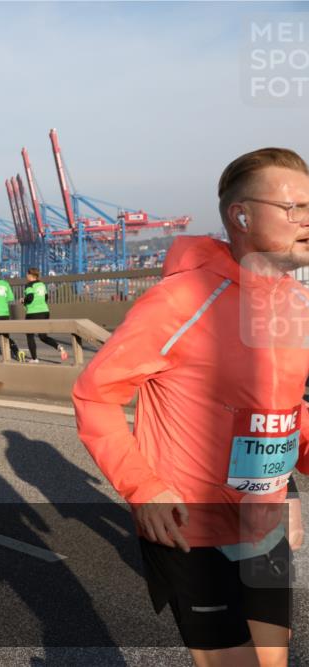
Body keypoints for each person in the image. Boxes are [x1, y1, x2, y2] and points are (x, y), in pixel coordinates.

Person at [73, 147, 309, 664]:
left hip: (263, 521)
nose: (307, 220)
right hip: (193, 528)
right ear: (241, 215)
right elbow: (95, 394)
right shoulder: (181, 300)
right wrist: (144, 488)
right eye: (293, 208)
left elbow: (287, 407)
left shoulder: (294, 302)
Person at [22, 267, 68, 364]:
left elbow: (30, 297)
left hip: (33, 313)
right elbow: (46, 297)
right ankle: (59, 347)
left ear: (31, 275)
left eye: (27, 274)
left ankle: (34, 359)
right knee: (43, 336)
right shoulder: (42, 284)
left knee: (30, 335)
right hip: (45, 311)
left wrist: (23, 300)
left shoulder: (29, 285)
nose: (26, 276)